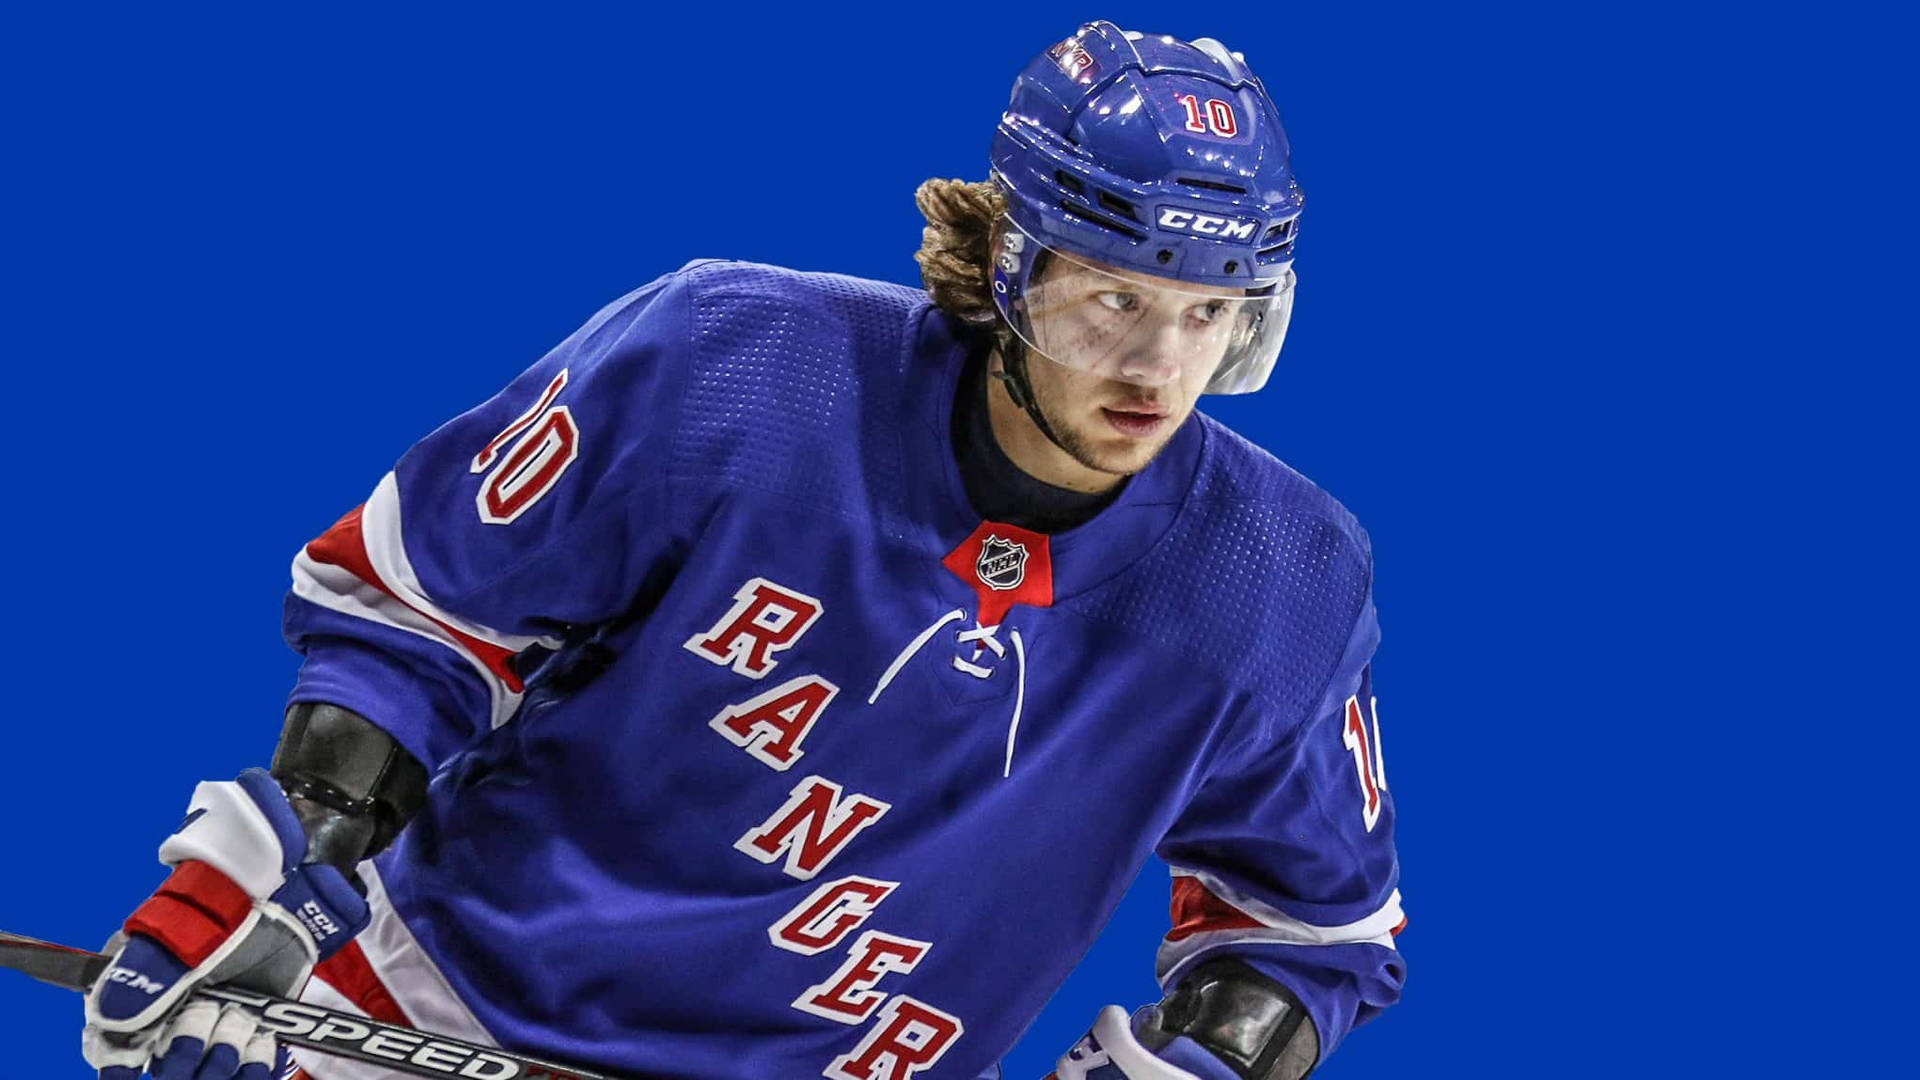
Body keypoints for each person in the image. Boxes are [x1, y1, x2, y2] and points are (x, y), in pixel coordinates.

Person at [79, 21, 1405, 1080]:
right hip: (443, 1023)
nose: (1158, 372)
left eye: (1210, 318)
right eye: (1117, 300)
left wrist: (1197, 1070)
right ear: (1008, 261)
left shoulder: (1279, 581)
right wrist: (264, 869)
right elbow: (426, 616)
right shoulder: (730, 364)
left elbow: (1306, 932)